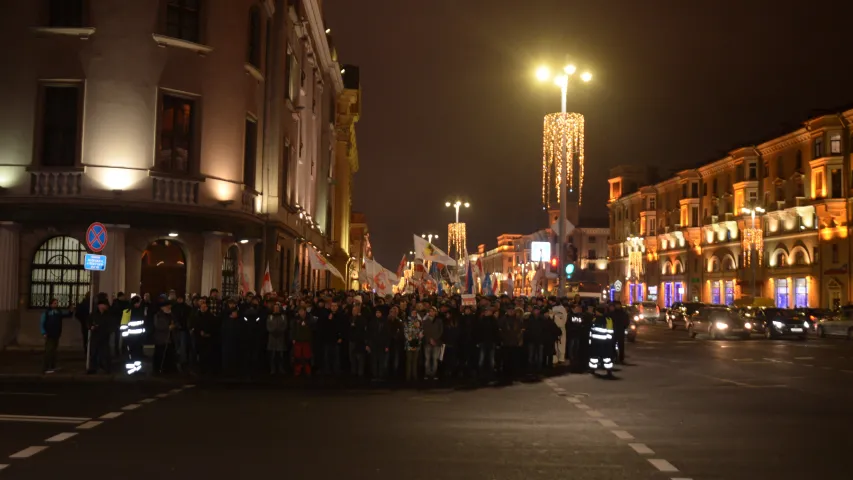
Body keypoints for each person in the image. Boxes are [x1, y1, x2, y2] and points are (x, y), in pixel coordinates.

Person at [40, 298, 73, 373]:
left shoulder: (58, 312)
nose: (56, 304)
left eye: (56, 303)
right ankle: (46, 367)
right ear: (51, 304)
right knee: (49, 351)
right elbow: (42, 323)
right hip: (49, 334)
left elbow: (66, 315)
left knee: (53, 351)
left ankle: (52, 366)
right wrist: (43, 332)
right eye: (54, 303)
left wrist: (70, 311)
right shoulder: (47, 312)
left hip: (56, 334)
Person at [87, 299, 113, 374]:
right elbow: (88, 322)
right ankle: (93, 368)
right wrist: (91, 327)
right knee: (94, 353)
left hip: (104, 336)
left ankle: (106, 368)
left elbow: (111, 324)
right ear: (100, 305)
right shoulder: (94, 314)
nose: (106, 306)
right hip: (95, 336)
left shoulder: (108, 315)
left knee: (105, 353)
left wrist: (109, 331)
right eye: (104, 305)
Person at [588, 307, 615, 376]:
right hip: (605, 342)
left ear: (598, 312)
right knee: (606, 357)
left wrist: (590, 341)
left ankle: (592, 369)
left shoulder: (594, 319)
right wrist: (609, 341)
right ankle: (609, 371)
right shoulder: (608, 319)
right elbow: (610, 331)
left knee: (594, 356)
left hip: (596, 342)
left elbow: (591, 331)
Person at [266, 302, 289, 375]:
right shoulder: (270, 316)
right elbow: (268, 326)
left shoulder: (283, 316)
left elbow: (285, 325)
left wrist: (279, 332)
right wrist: (273, 331)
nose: (276, 309)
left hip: (280, 338)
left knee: (280, 355)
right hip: (272, 338)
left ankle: (280, 368)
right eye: (275, 308)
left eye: (277, 308)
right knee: (272, 355)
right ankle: (273, 369)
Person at [422, 306, 444, 380]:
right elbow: (424, 331)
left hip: (437, 342)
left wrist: (435, 339)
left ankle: (434, 373)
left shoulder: (439, 321)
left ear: (435, 312)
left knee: (435, 359)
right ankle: (427, 373)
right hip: (428, 342)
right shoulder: (425, 321)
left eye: (433, 311)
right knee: (427, 359)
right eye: (430, 311)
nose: (431, 312)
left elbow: (441, 331)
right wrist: (429, 339)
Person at [348, 303, 368, 377]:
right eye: (353, 310)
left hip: (359, 341)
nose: (353, 312)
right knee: (352, 357)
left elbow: (363, 331)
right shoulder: (350, 318)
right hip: (352, 340)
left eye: (355, 310)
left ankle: (360, 373)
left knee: (360, 358)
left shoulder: (362, 319)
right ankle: (353, 372)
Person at [403, 310, 423, 382]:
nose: (414, 314)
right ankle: (408, 377)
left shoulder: (419, 321)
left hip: (417, 343)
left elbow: (421, 330)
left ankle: (415, 376)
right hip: (409, 343)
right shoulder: (407, 321)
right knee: (409, 360)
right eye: (412, 313)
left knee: (415, 360)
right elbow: (405, 331)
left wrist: (420, 333)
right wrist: (409, 337)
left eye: (415, 313)